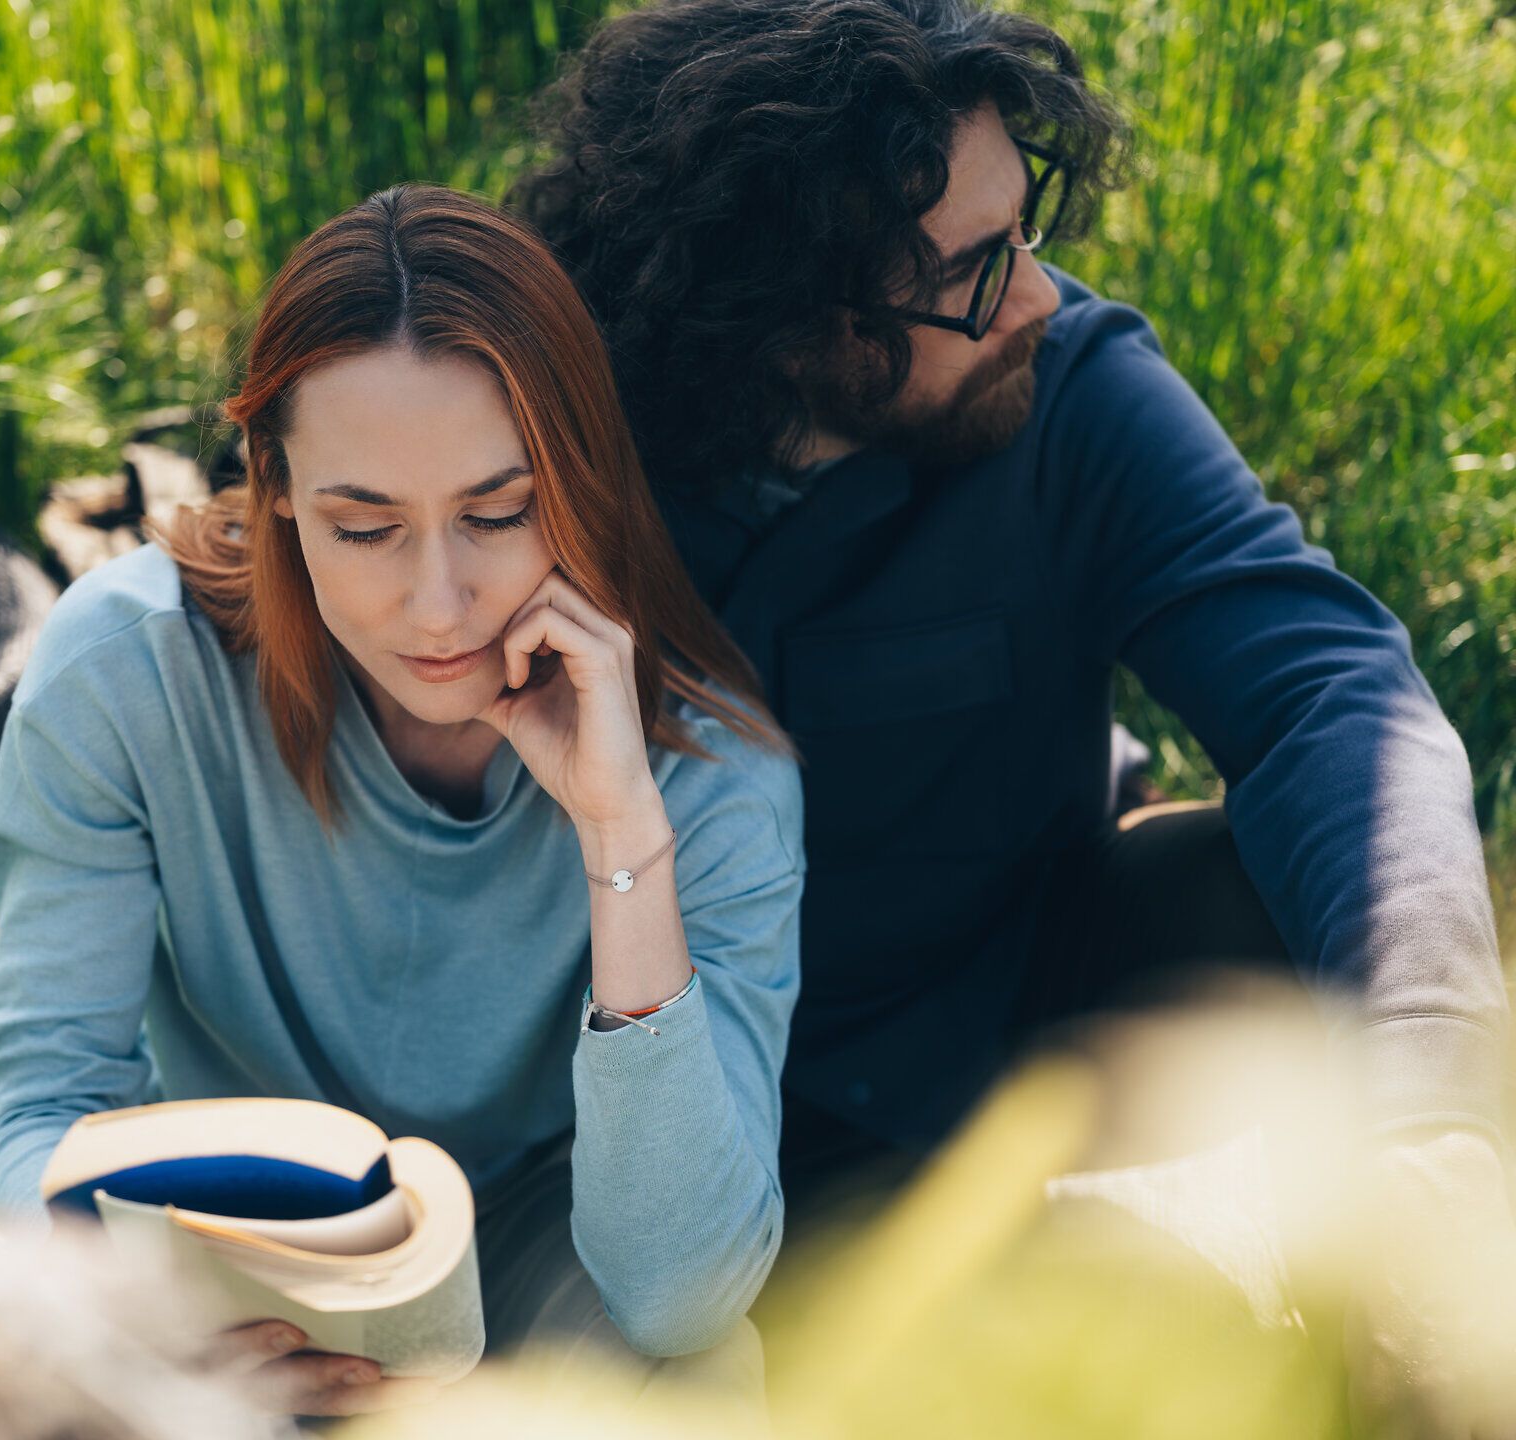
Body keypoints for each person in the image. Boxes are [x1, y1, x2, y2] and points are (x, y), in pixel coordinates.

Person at [511, 0, 1511, 1424]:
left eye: (1026, 229)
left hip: (994, 1017)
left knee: (1253, 883)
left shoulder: (1076, 388)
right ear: (785, 319)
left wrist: (1430, 1116)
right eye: (975, 272)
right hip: (662, 1099)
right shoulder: (557, 438)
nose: (1037, 296)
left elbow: (1333, 696)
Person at [0, 184, 803, 1419]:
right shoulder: (124, 677)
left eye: (499, 514)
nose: (437, 603)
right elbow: (41, 1114)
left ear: (579, 486)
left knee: (707, 1382)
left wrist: (623, 840)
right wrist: (150, 1325)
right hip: (216, 1261)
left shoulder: (712, 776)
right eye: (365, 527)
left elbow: (679, 1292)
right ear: (280, 492)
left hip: (532, 1260)